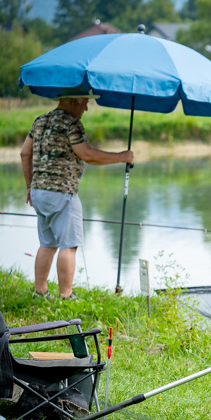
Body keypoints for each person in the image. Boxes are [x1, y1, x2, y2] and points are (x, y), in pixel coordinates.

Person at [20, 87, 134, 300]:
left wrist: (29, 185)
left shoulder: (40, 121)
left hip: (38, 192)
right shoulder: (71, 124)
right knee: (68, 245)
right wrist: (122, 156)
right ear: (73, 101)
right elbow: (87, 154)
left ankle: (40, 291)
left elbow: (25, 152)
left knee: (47, 243)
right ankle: (66, 295)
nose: (86, 108)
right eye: (84, 102)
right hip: (62, 193)